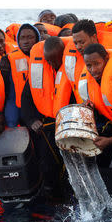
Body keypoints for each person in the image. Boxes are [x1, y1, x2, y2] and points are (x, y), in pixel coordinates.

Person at [21, 37, 69, 195]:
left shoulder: (73, 69)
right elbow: (26, 99)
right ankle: (52, 196)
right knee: (48, 165)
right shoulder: (38, 71)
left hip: (68, 126)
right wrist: (31, 121)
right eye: (49, 60)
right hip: (46, 127)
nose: (53, 64)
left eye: (57, 60)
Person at [0, 24, 40, 127]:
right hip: (14, 103)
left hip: (37, 104)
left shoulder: (44, 57)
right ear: (18, 40)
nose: (26, 41)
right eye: (22, 38)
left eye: (30, 37)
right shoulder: (7, 60)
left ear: (37, 39)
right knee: (11, 124)